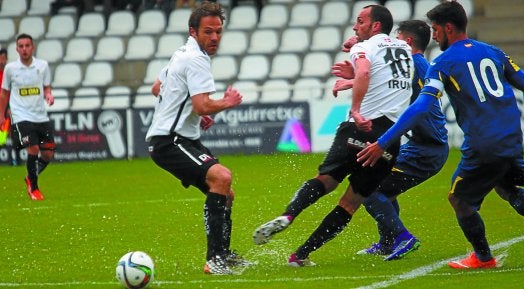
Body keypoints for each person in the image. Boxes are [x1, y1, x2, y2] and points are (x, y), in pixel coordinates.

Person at [358, 1, 524, 269]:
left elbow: (422, 106)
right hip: (510, 138)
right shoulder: (493, 52)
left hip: (482, 143)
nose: (434, 36)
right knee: (508, 188)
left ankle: (484, 257)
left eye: (436, 30)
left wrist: (383, 141)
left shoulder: (443, 62)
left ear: (449, 28)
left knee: (458, 199)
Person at [253, 4, 413, 266]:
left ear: (375, 26)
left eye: (360, 21)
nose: (354, 26)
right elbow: (383, 73)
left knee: (326, 179)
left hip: (359, 128)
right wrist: (357, 45)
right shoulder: (404, 48)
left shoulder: (365, 48)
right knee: (350, 203)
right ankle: (300, 255)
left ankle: (289, 215)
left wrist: (355, 109)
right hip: (389, 140)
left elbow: (363, 71)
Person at [145, 1, 246, 275]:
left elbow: (158, 88)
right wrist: (226, 102)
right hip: (170, 140)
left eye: (218, 32)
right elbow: (201, 105)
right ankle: (214, 260)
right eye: (208, 32)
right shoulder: (197, 58)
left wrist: (192, 112)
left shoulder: (181, 54)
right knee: (222, 177)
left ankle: (223, 254)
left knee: (226, 193)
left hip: (178, 138)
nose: (214, 38)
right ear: (194, 32)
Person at [354, 19, 449, 261]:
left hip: (427, 149)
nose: (392, 44)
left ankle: (402, 237)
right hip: (422, 145)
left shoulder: (414, 64)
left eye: (397, 39)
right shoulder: (416, 65)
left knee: (370, 190)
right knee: (382, 186)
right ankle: (388, 242)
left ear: (407, 42)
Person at [0, 34, 55, 201]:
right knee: (33, 148)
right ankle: (34, 187)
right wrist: (2, 115)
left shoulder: (42, 66)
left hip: (40, 115)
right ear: (17, 49)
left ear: (33, 47)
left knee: (48, 154)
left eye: (27, 46)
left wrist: (49, 95)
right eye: (21, 46)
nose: (24, 49)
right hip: (21, 115)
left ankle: (30, 176)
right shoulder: (10, 69)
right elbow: (4, 94)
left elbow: (46, 88)